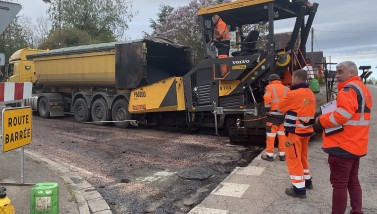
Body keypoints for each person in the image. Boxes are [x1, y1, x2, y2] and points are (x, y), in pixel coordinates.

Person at [316, 61, 372, 214]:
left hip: (343, 145)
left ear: (352, 73)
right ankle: (357, 211)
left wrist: (321, 120)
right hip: (357, 144)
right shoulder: (363, 89)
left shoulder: (348, 89)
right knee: (352, 180)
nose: (337, 75)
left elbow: (343, 115)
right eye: (337, 72)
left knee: (339, 184)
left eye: (340, 72)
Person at [277, 69, 316, 199]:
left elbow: (280, 108)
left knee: (293, 159)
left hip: (293, 133)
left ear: (297, 79)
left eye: (293, 78)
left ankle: (299, 189)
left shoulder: (294, 94)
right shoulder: (310, 93)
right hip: (306, 132)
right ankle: (307, 181)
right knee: (303, 157)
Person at [261, 74, 290, 162]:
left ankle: (269, 155)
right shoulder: (286, 88)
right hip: (283, 115)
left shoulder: (269, 87)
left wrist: (267, 109)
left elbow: (267, 98)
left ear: (270, 81)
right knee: (282, 135)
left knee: (271, 135)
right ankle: (282, 155)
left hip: (272, 115)